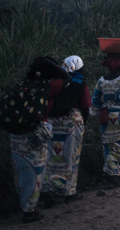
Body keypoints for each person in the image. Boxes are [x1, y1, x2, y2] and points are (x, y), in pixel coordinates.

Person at [10, 56, 70, 223]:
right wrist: (53, 65)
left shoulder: (23, 85)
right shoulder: (46, 87)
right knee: (35, 173)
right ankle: (29, 211)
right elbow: (67, 78)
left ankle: (25, 206)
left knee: (21, 172)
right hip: (35, 135)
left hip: (16, 135)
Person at [42, 55, 91, 203]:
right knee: (70, 157)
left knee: (50, 157)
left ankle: (48, 189)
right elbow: (86, 107)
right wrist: (84, 123)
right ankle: (68, 192)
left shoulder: (56, 82)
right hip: (72, 124)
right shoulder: (80, 83)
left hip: (51, 123)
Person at [89, 53, 120, 184]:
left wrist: (102, 108)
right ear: (119, 64)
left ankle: (113, 173)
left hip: (106, 116)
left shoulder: (101, 81)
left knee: (110, 144)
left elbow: (94, 101)